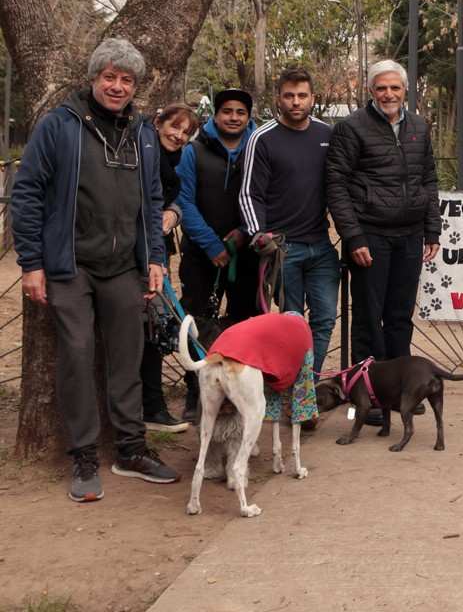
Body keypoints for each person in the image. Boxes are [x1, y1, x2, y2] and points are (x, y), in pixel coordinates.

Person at [11, 38, 179, 502]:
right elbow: (26, 194)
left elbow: (151, 201)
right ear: (93, 79)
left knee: (126, 357)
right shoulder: (59, 126)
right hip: (70, 266)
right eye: (109, 77)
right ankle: (84, 455)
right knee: (78, 356)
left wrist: (156, 259)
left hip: (124, 267)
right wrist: (32, 263)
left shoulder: (144, 132)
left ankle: (130, 449)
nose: (117, 86)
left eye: (126, 79)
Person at [326, 60, 440, 424]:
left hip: (409, 236)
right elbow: (336, 185)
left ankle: (404, 391)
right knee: (367, 319)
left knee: (399, 318)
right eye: (381, 88)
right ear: (371, 91)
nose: (388, 94)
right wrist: (353, 235)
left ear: (405, 90)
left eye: (394, 88)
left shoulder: (419, 126)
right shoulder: (351, 128)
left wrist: (432, 230)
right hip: (369, 237)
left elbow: (429, 179)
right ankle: (369, 398)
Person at [240, 68, 338, 374]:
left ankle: (306, 385)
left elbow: (339, 185)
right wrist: (260, 235)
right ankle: (293, 386)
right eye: (289, 96)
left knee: (324, 318)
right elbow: (248, 193)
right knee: (292, 322)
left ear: (312, 98)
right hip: (283, 249)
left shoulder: (326, 134)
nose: (296, 102)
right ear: (278, 99)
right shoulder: (262, 138)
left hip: (321, 245)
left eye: (302, 96)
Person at [175, 88, 259, 422]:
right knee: (196, 321)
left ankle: (239, 393)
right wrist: (212, 245)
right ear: (216, 114)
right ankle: (196, 393)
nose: (234, 117)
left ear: (248, 116)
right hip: (201, 254)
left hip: (247, 253)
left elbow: (263, 194)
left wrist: (242, 234)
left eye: (241, 111)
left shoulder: (258, 147)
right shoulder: (193, 151)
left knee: (244, 323)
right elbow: (183, 199)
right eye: (227, 111)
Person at [140, 102, 200, 433]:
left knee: (158, 328)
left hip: (159, 253)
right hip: (140, 253)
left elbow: (178, 200)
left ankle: (154, 404)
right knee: (152, 328)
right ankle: (150, 406)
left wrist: (173, 213)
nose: (178, 135)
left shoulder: (178, 162)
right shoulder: (144, 154)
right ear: (158, 122)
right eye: (174, 126)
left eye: (186, 132)